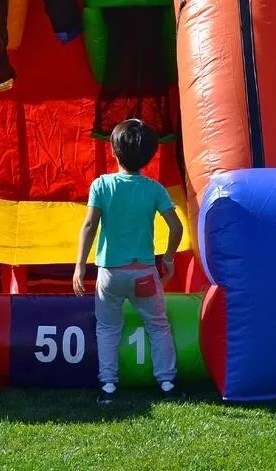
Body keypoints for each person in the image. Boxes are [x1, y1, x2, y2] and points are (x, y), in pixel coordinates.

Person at [73, 118, 184, 404]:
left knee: (108, 327)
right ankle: (167, 382)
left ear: (113, 150)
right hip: (144, 273)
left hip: (110, 273)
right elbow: (176, 227)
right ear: (149, 155)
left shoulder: (102, 185)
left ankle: (108, 385)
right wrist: (168, 258)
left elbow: (89, 226)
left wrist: (80, 264)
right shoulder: (154, 189)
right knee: (158, 325)